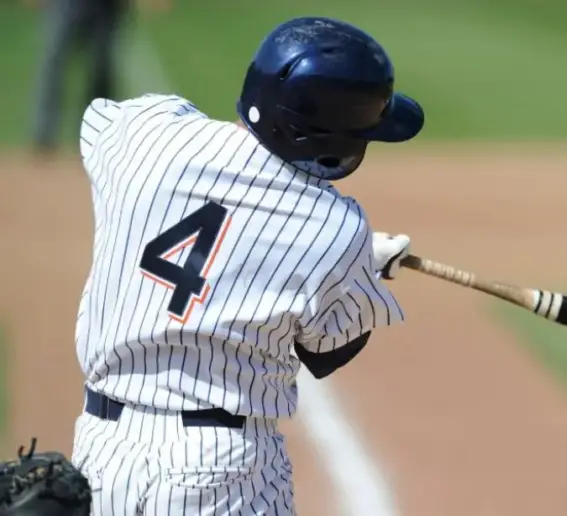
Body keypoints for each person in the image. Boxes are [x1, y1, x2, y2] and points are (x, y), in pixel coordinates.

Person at [69, 16, 422, 515]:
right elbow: (326, 350)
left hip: (102, 455)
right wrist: (361, 264)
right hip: (221, 474)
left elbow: (98, 126)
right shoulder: (337, 228)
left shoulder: (141, 135)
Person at [31, 0, 130, 154]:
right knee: (54, 65)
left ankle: (96, 134)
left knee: (101, 69)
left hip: (105, 6)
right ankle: (44, 136)